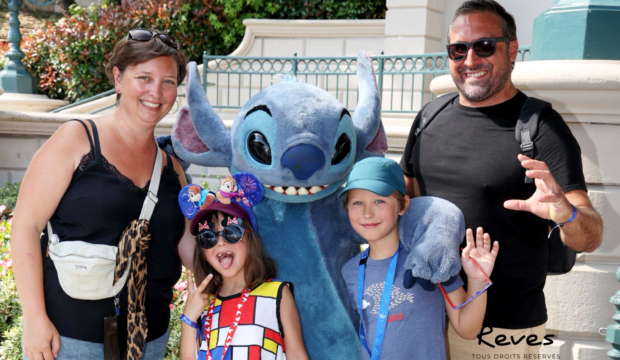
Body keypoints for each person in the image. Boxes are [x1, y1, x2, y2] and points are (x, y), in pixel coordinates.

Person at [399, 1, 604, 358]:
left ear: (511, 50)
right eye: (458, 49)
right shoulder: (429, 117)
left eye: (484, 46)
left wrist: (564, 211)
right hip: (424, 317)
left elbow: (591, 237)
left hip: (501, 332)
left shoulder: (541, 126)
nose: (470, 60)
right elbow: (404, 199)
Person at [11, 29, 196, 359]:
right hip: (66, 342)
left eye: (168, 81)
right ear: (118, 78)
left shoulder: (172, 169)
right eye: (144, 77)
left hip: (147, 345)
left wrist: (232, 233)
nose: (157, 92)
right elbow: (25, 225)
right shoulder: (77, 139)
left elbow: (187, 246)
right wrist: (35, 321)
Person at [340, 157, 499, 360]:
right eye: (357, 202)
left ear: (403, 205)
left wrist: (478, 280)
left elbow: (467, 329)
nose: (367, 213)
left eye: (379, 201)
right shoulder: (349, 271)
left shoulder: (428, 260)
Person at [179, 194, 309, 360]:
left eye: (231, 232)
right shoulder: (203, 305)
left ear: (251, 240)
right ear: (203, 253)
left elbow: (297, 355)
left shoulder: (277, 293)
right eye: (208, 237)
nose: (220, 242)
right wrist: (188, 319)